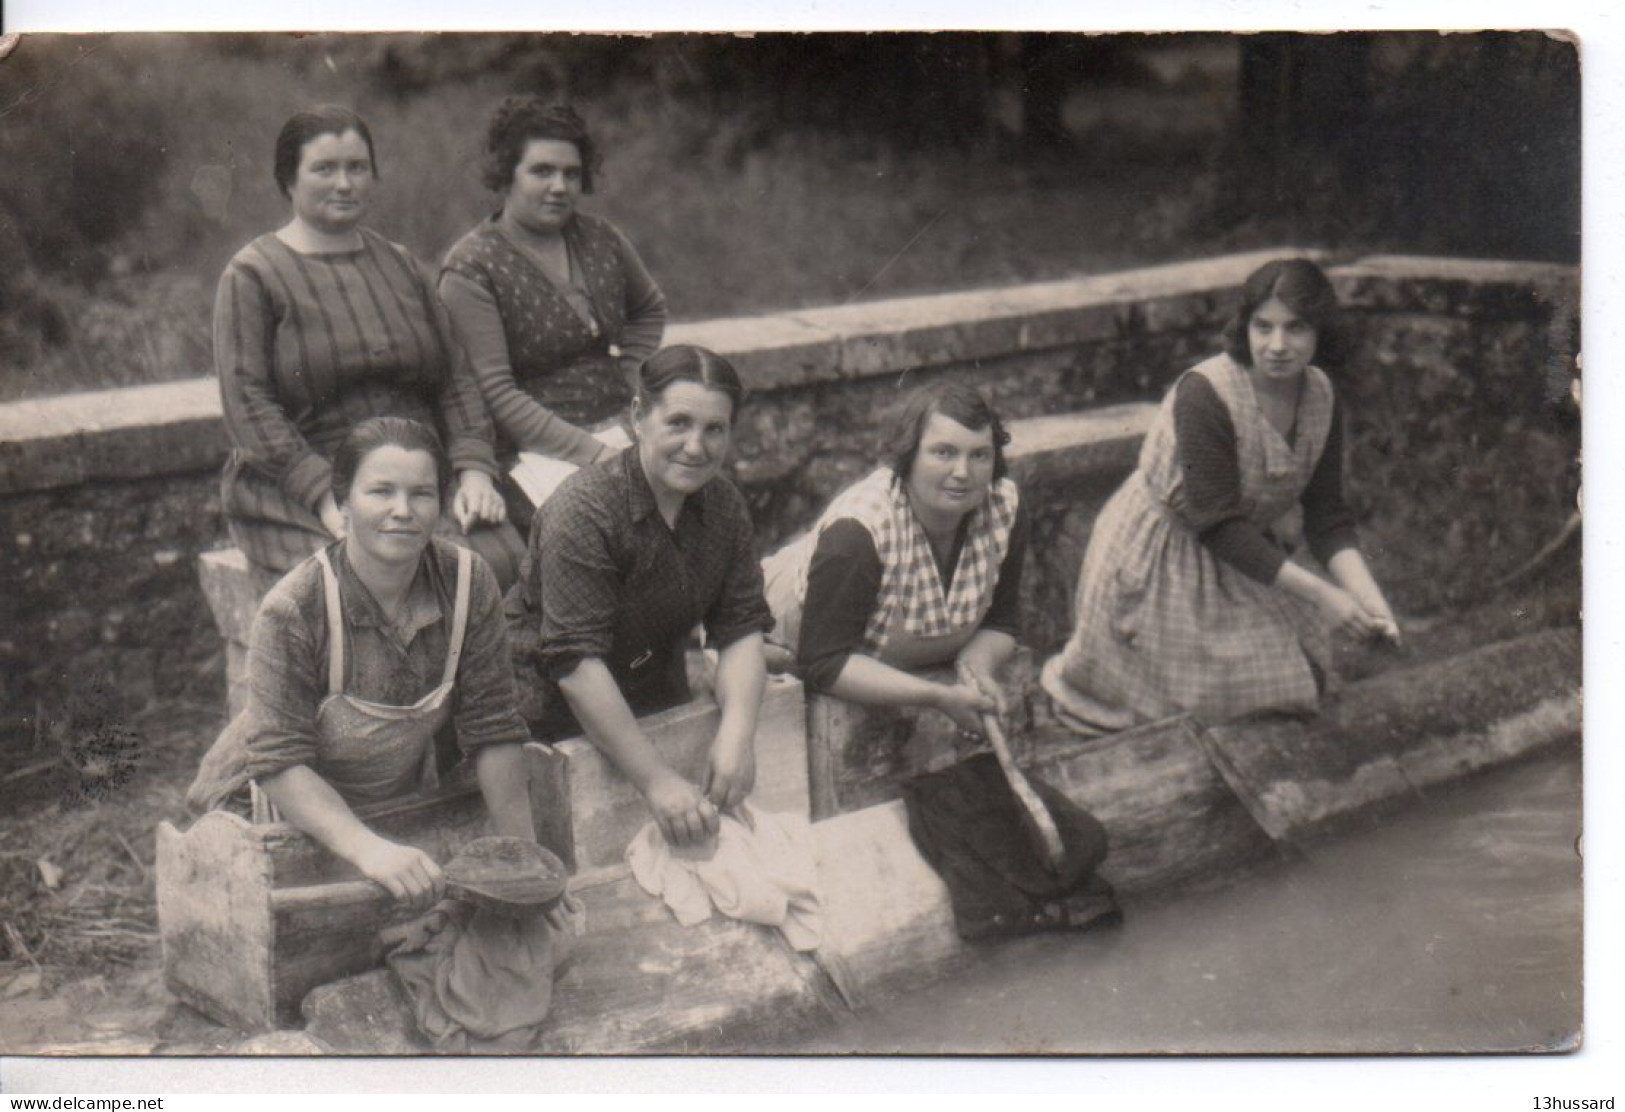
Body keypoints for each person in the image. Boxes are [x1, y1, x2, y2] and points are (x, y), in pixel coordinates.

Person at [1040, 257, 1401, 734]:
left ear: (1321, 333)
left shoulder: (1320, 396)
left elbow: (1327, 517)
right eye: (1263, 326)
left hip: (1241, 558)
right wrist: (1322, 595)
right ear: (1245, 327)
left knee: (1302, 678)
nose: (1277, 345)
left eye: (1296, 329)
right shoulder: (1207, 393)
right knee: (1220, 706)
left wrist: (1371, 602)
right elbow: (1216, 524)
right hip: (1158, 561)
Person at [188, 418, 536, 911]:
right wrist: (371, 851)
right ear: (344, 502)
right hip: (277, 817)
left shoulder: (465, 582)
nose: (402, 511)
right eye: (380, 492)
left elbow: (494, 726)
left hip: (392, 803)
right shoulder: (296, 607)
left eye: (421, 494)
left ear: (440, 504)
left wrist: (525, 860)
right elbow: (279, 763)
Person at [215, 105, 523, 589]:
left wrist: (472, 470)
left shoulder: (401, 265)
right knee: (360, 585)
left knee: (500, 562)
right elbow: (247, 407)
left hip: (415, 471)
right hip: (304, 483)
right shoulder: (253, 275)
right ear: (287, 180)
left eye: (357, 167)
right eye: (324, 169)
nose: (345, 183)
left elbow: (455, 379)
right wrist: (323, 494)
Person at [507, 345, 773, 847]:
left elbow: (740, 629)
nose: (696, 446)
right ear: (637, 418)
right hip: (542, 722)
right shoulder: (583, 512)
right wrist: (656, 780)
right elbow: (575, 666)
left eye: (714, 429)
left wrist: (739, 733)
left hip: (649, 703)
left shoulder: (723, 505)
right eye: (678, 423)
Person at [440, 98, 667, 524]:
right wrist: (596, 454)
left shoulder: (601, 238)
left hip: (623, 422)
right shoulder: (472, 268)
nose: (560, 187)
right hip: (536, 452)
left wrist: (632, 373)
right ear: (507, 174)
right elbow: (497, 393)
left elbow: (649, 310)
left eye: (571, 173)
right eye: (542, 171)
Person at [764, 382, 1031, 736]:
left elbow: (1002, 622)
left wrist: (977, 665)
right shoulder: (858, 533)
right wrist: (937, 696)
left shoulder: (1003, 509)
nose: (963, 473)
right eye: (944, 452)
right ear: (908, 456)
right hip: (777, 644)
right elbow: (824, 663)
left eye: (979, 455)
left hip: (879, 666)